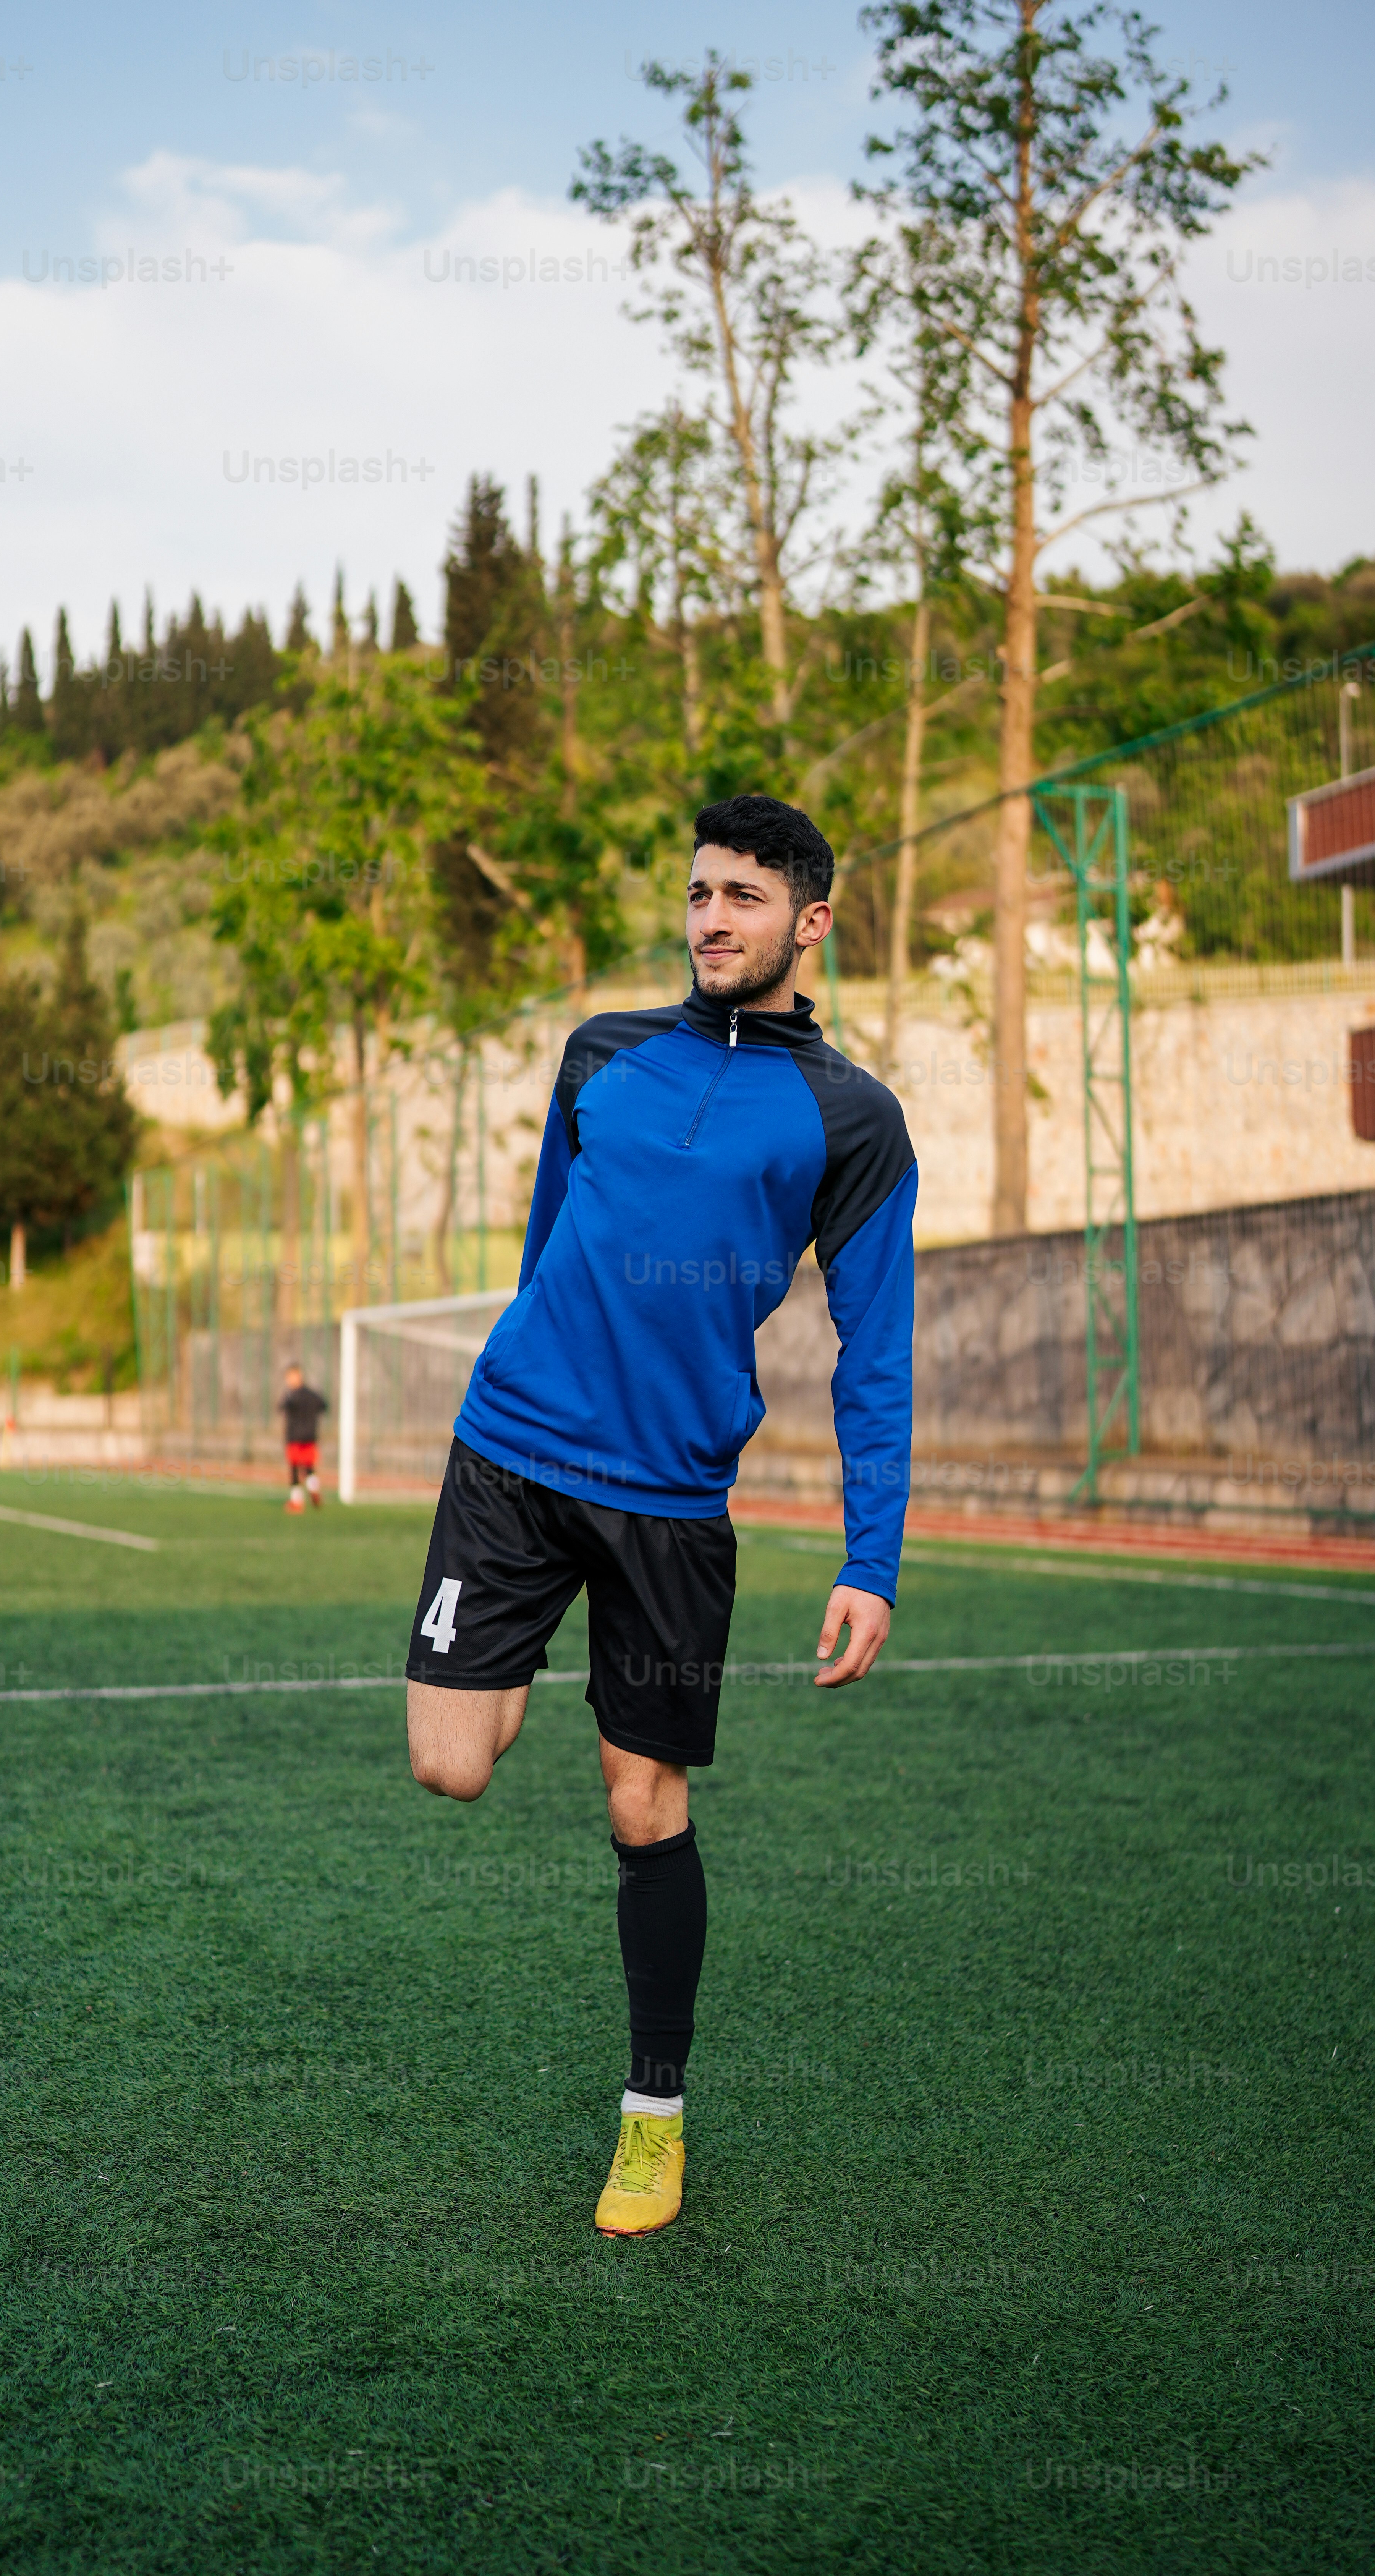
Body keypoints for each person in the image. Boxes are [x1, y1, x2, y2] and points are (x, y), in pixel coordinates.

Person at [405, 793, 917, 2235]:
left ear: (810, 922)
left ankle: (652, 2120)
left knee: (643, 1802)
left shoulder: (852, 1119)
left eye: (742, 896)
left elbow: (872, 1350)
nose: (710, 918)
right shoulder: (601, 1052)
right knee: (451, 1762)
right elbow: (545, 1241)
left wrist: (870, 1557)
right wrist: (535, 1363)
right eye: (698, 893)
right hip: (512, 1456)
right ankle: (510, 1662)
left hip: (672, 1504)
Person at [277, 1363, 327, 1511]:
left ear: (298, 1376)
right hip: (310, 1437)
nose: (289, 1381)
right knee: (309, 1467)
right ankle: (314, 1488)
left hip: (295, 1437)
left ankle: (297, 1501)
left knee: (294, 1468)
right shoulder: (313, 1395)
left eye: (290, 1377)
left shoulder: (292, 1395)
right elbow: (324, 1406)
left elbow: (282, 1407)